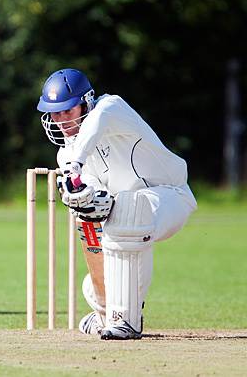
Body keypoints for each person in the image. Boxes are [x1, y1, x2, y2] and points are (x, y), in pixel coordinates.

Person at [36, 68, 197, 340]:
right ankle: (104, 311)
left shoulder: (112, 108)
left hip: (170, 196)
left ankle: (125, 321)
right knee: (101, 263)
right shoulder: (65, 154)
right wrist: (85, 199)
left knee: (127, 210)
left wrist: (76, 164)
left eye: (68, 111)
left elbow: (96, 123)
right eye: (55, 113)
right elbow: (97, 199)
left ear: (86, 102)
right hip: (130, 215)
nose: (61, 120)